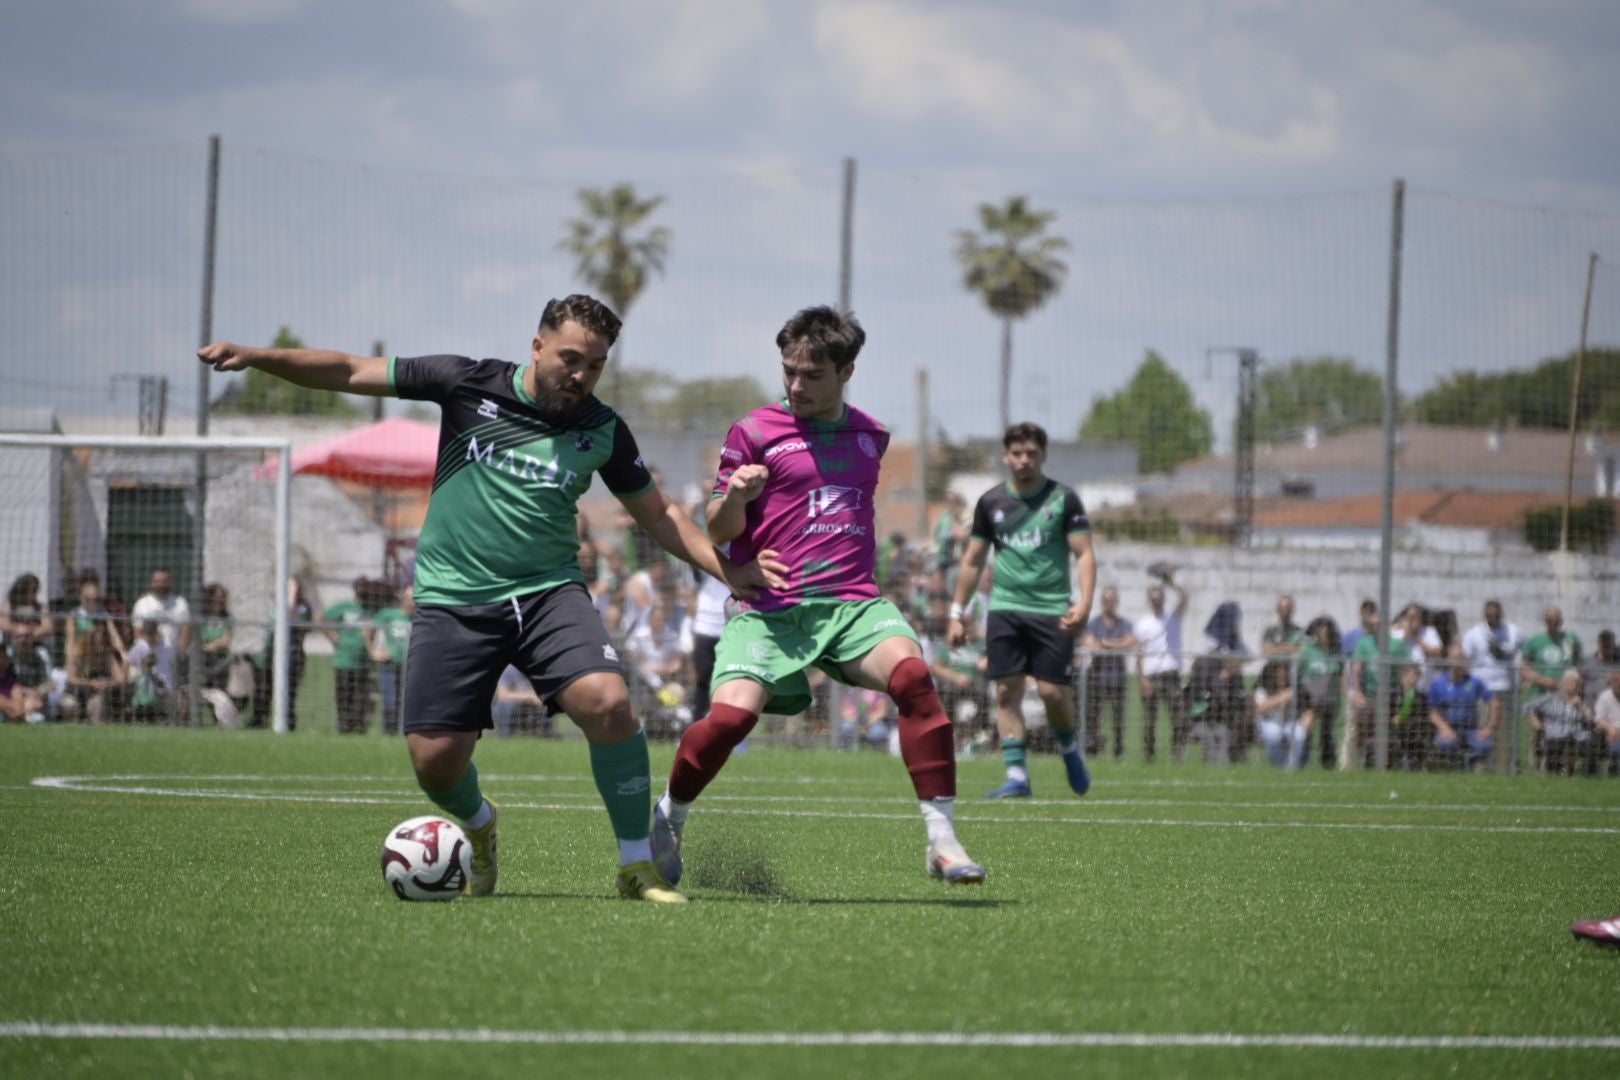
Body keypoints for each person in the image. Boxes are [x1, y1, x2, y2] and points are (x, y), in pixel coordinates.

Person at [201, 293, 782, 903]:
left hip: (548, 595)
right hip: (454, 599)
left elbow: (659, 513)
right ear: (536, 346)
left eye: (596, 365)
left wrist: (728, 568)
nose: (581, 376)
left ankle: (638, 867)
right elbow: (350, 370)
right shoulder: (464, 382)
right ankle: (479, 824)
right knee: (435, 763)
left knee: (610, 705)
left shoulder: (602, 429)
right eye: (571, 358)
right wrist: (258, 357)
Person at [649, 305, 984, 887]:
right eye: (788, 372)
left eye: (812, 375)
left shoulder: (872, 436)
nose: (796, 385)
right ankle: (669, 816)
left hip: (853, 604)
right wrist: (737, 500)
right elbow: (718, 529)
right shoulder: (753, 432)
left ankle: (942, 839)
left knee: (913, 679)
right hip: (772, 610)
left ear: (846, 371)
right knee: (729, 720)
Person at [947, 422, 1096, 798]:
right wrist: (956, 612)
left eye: (1031, 453)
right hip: (1006, 609)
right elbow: (972, 560)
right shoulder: (992, 503)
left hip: (1051, 610)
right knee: (1005, 692)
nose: (1024, 460)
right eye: (1017, 453)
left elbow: (1084, 554)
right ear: (1006, 456)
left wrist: (1085, 602)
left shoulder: (1063, 500)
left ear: (1043, 456)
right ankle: (1017, 776)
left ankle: (1069, 751)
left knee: (1052, 693)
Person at [1134, 566, 1188, 764]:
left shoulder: (1173, 618)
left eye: (1159, 597)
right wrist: (1142, 679)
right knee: (1150, 720)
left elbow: (1185, 599)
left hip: (1171, 674)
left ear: (1163, 599)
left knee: (1179, 717)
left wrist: (1171, 582)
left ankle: (1178, 755)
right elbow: (1139, 653)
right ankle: (1149, 756)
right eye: (1153, 597)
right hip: (1152, 675)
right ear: (1149, 600)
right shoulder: (1143, 623)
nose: (1156, 600)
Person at [1461, 600, 1522, 767]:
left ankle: (1503, 769)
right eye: (1488, 615)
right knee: (1481, 731)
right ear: (1484, 614)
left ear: (1501, 614)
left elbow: (1525, 654)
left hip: (1505, 689)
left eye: (1495, 615)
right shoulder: (1474, 634)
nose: (1492, 618)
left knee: (1504, 734)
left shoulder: (1513, 632)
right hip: (1481, 691)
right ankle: (1480, 769)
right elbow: (1464, 660)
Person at [1185, 602, 1247, 765]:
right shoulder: (1204, 660)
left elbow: (1245, 655)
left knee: (1223, 734)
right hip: (1203, 716)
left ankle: (1222, 767)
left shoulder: (1234, 650)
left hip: (1224, 716)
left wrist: (1229, 671)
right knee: (1209, 736)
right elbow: (1196, 700)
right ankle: (1212, 767)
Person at [1081, 586, 1136, 761]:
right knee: (1094, 717)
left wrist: (1105, 643)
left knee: (1118, 719)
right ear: (1101, 602)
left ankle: (1118, 753)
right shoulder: (1094, 623)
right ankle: (1094, 750)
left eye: (1112, 600)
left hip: (1117, 679)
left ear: (1117, 602)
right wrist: (1115, 644)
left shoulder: (1125, 623)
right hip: (1097, 678)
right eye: (1106, 600)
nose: (1109, 603)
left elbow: (1129, 643)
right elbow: (1091, 645)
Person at [252, 576, 313, 730]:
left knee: (287, 694)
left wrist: (291, 596)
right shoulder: (276, 606)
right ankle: (259, 723)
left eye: (293, 588)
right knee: (263, 691)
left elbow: (292, 618)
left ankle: (287, 725)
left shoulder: (303, 607)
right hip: (270, 654)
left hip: (292, 656)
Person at [322, 578, 379, 735]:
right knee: (344, 695)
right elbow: (321, 617)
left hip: (364, 662)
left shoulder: (373, 608)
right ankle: (344, 727)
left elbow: (379, 622)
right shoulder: (344, 607)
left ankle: (359, 726)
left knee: (361, 696)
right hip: (344, 661)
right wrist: (332, 636)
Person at [1427, 642, 1494, 770]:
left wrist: (1488, 728)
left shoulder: (1475, 682)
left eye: (1460, 659)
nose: (1457, 663)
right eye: (1454, 658)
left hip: (1471, 729)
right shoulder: (1438, 683)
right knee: (1444, 742)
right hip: (1449, 728)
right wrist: (1444, 728)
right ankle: (1457, 765)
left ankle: (1468, 765)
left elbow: (1493, 702)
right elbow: (1432, 712)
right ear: (1448, 660)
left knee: (1486, 745)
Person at [1528, 671, 1598, 776]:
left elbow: (1591, 720)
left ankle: (1581, 774)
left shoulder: (1581, 700)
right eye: (1569, 682)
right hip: (1554, 734)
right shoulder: (1551, 698)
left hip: (1576, 735)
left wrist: (1581, 707)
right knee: (1559, 744)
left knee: (1588, 744)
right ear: (1563, 684)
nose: (1571, 685)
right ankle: (1560, 771)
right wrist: (1536, 723)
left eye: (1574, 682)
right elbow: (1529, 707)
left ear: (1579, 686)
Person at [370, 584, 415, 736]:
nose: (411, 602)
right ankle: (389, 734)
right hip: (390, 667)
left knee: (410, 704)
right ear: (403, 599)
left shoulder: (420, 617)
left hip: (412, 669)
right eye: (409, 599)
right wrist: (373, 651)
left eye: (415, 599)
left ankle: (406, 734)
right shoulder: (388, 614)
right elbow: (368, 629)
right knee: (391, 703)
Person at [1295, 616, 1340, 766]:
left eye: (1326, 629)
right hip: (1310, 698)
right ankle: (1301, 760)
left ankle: (1328, 763)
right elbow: (1298, 674)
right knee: (1307, 729)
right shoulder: (1307, 650)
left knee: (1327, 733)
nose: (1323, 633)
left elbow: (1340, 677)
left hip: (1329, 699)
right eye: (1319, 629)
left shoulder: (1335, 653)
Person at [67, 622, 126, 724]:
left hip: (96, 695)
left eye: (102, 640)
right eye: (96, 640)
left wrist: (106, 683)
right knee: (69, 704)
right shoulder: (79, 654)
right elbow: (72, 678)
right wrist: (90, 683)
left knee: (96, 703)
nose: (99, 643)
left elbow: (121, 679)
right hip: (77, 693)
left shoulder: (107, 657)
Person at [1254, 658, 1306, 768]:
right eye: (1278, 671)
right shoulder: (1262, 689)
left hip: (1288, 722)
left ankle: (1293, 766)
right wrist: (1282, 697)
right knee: (1274, 733)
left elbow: (1299, 709)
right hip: (1268, 722)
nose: (1281, 674)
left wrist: (1287, 700)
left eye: (1284, 671)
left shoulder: (1293, 688)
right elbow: (1260, 707)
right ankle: (1279, 765)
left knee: (1299, 733)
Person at [130, 568, 192, 655]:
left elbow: (185, 632)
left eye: (164, 581)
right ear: (151, 583)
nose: (161, 585)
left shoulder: (181, 603)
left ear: (170, 583)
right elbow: (138, 633)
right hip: (149, 655)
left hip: (173, 656)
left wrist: (181, 654)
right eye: (157, 582)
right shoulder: (142, 604)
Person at [2, 573, 56, 641]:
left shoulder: (40, 607)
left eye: (35, 590)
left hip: (34, 643)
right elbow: (3, 623)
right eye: (31, 591)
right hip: (12, 642)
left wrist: (30, 632)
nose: (34, 594)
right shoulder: (9, 605)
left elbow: (48, 627)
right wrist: (18, 629)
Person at [1594, 671, 1620, 775]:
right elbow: (1598, 720)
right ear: (1611, 683)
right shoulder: (1604, 697)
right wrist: (1609, 728)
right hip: (1610, 734)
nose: (1619, 684)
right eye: (1616, 681)